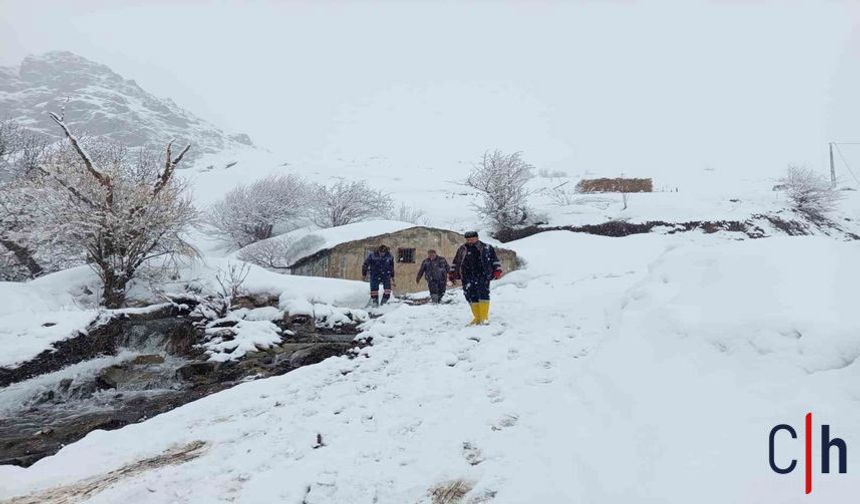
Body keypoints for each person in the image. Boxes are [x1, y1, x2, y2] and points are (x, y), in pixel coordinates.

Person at [449, 231, 502, 325]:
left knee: (483, 294)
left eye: (472, 239)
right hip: (466, 275)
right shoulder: (462, 249)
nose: (470, 241)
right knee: (470, 295)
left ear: (477, 238)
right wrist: (452, 274)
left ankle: (484, 317)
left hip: (482, 274)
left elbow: (494, 260)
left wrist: (497, 270)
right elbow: (456, 262)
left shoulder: (486, 247)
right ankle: (477, 318)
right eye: (468, 239)